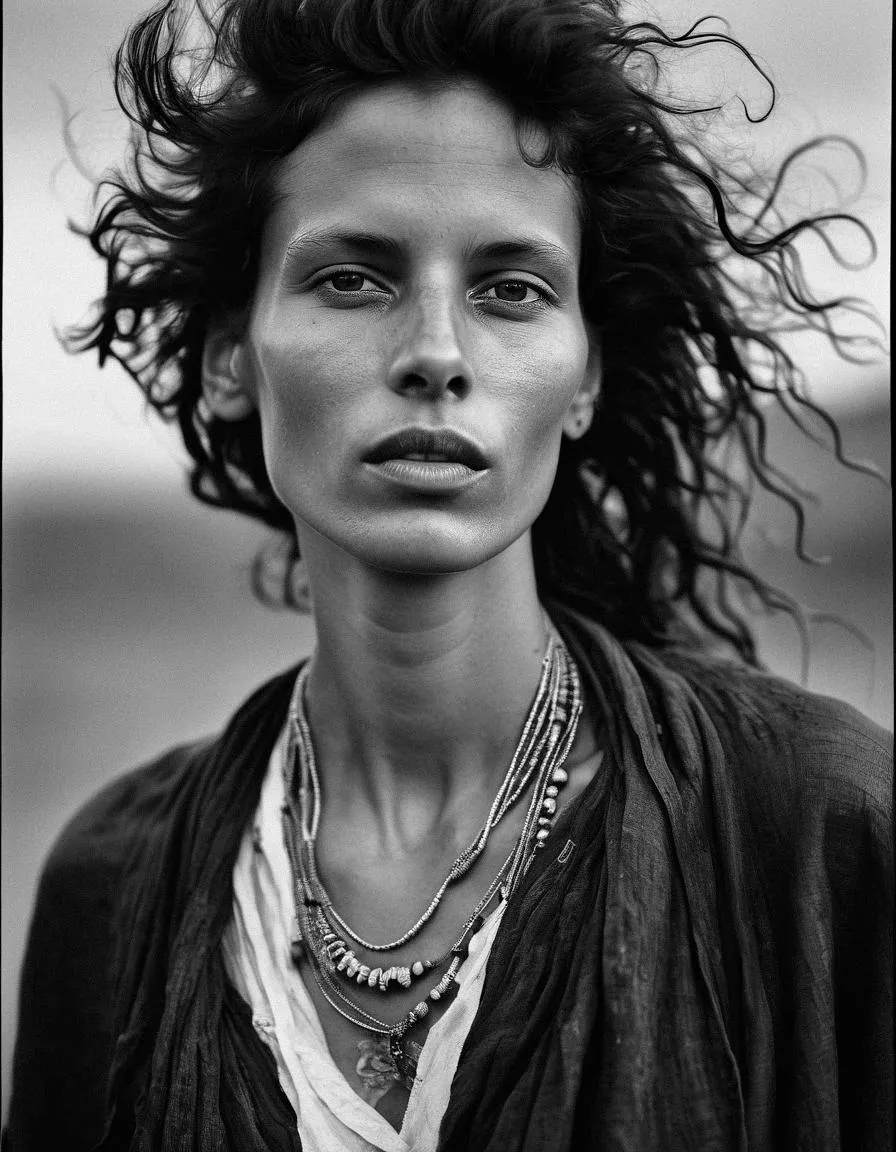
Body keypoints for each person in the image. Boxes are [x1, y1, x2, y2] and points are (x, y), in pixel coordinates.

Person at [6, 0, 892, 1149]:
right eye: (352, 280)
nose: (433, 353)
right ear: (232, 355)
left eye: (508, 290)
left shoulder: (819, 836)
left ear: (583, 380)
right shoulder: (116, 885)